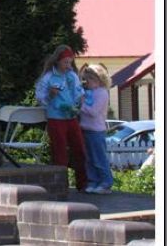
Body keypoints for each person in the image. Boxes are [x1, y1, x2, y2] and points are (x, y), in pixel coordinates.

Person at [35, 45, 87, 192]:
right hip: (56, 117)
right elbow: (40, 98)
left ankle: (82, 183)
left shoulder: (72, 76)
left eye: (70, 62)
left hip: (71, 116)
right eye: (65, 62)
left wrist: (81, 105)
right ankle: (61, 185)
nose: (68, 65)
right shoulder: (48, 77)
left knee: (79, 149)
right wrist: (50, 95)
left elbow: (79, 93)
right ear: (57, 61)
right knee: (59, 151)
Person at [79, 64, 114, 194]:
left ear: (98, 80)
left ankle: (106, 183)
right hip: (86, 129)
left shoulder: (102, 93)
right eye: (85, 80)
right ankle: (93, 181)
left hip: (96, 131)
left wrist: (81, 104)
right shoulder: (90, 92)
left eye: (88, 80)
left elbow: (93, 112)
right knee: (89, 159)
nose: (86, 83)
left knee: (99, 158)